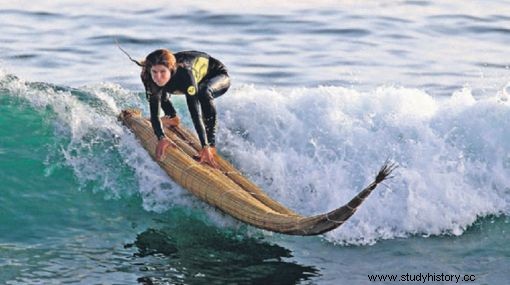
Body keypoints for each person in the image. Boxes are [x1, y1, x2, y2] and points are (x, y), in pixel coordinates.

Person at [140, 49, 230, 168]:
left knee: (203, 92)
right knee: (157, 90)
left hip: (217, 76)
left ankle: (211, 146)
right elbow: (154, 112)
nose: (158, 76)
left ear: (171, 70)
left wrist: (205, 145)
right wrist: (161, 138)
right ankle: (172, 117)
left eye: (162, 72)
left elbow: (195, 113)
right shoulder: (148, 76)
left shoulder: (185, 75)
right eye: (154, 72)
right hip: (184, 77)